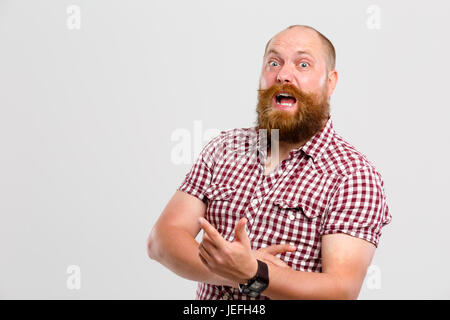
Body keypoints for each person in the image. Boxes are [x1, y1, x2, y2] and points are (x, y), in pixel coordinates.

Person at [147, 25, 392, 300]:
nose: (283, 75)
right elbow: (162, 240)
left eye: (303, 64)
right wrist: (237, 272)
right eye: (273, 63)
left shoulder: (353, 176)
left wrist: (254, 272)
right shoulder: (223, 149)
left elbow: (340, 291)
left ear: (331, 81)